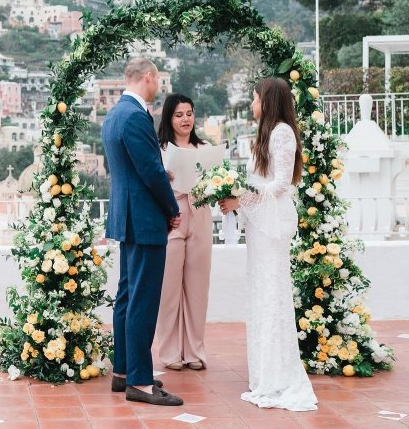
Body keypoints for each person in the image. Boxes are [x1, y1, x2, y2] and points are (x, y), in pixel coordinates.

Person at [219, 77, 318, 412]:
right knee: (260, 295)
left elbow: (279, 184)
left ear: (268, 100)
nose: (251, 102)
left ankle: (278, 376)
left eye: (254, 96)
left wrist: (242, 200)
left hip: (272, 227)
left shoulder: (282, 133)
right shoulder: (266, 134)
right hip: (260, 228)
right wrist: (235, 197)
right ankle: (264, 373)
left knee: (272, 295)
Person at [102, 57, 184, 406]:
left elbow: (125, 167)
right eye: (158, 80)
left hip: (127, 216)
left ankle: (122, 372)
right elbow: (150, 169)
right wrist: (172, 208)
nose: (159, 87)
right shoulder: (135, 115)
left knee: (127, 295)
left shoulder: (113, 114)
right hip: (145, 219)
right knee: (143, 300)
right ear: (148, 77)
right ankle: (140, 381)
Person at [156, 94, 213, 371]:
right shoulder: (160, 149)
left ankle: (194, 351)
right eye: (179, 114)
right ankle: (169, 353)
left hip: (201, 214)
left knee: (198, 288)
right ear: (169, 118)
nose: (185, 119)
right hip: (172, 218)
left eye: (189, 113)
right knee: (168, 289)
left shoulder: (204, 147)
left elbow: (216, 180)